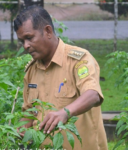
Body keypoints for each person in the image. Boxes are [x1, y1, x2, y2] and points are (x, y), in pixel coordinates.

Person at [14, 5, 108, 150]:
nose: (25, 46)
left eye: (29, 38)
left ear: (48, 31)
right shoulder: (31, 70)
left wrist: (66, 112)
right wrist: (16, 133)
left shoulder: (78, 60)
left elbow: (93, 94)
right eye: (22, 41)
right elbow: (29, 112)